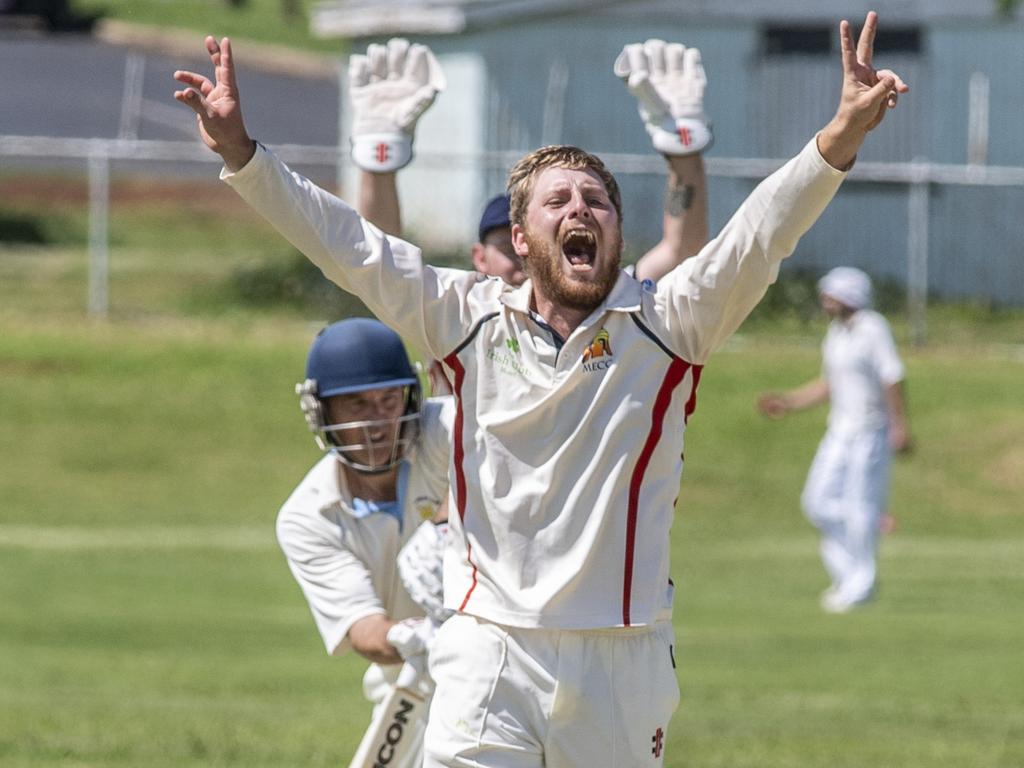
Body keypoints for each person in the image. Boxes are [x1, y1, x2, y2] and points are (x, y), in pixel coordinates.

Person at [174, 11, 907, 764]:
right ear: (520, 240)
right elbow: (350, 248)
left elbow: (763, 233)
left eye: (597, 201)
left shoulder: (671, 323)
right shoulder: (464, 317)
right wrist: (243, 154)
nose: (580, 209)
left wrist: (841, 134)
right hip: (487, 647)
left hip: (623, 656)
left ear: (617, 235)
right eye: (557, 201)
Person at [352, 37, 711, 396]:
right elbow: (385, 263)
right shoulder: (458, 312)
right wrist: (379, 161)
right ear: (482, 256)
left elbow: (682, 247)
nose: (527, 258)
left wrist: (683, 148)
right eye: (509, 248)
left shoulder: (617, 301)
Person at [276, 317, 453, 767]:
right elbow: (365, 633)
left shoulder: (444, 433)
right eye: (356, 404)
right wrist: (418, 636)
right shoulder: (308, 517)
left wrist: (447, 523)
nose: (376, 422)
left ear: (410, 398)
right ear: (322, 411)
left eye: (388, 400)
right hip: (412, 688)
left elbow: (506, 453)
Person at [757, 266, 911, 614]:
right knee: (817, 501)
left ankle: (861, 585)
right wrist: (789, 402)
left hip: (871, 430)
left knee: (859, 509)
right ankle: (850, 572)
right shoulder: (835, 334)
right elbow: (829, 384)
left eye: (831, 295)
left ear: (849, 296)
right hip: (839, 431)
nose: (825, 301)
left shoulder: (873, 328)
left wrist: (900, 426)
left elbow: (892, 377)